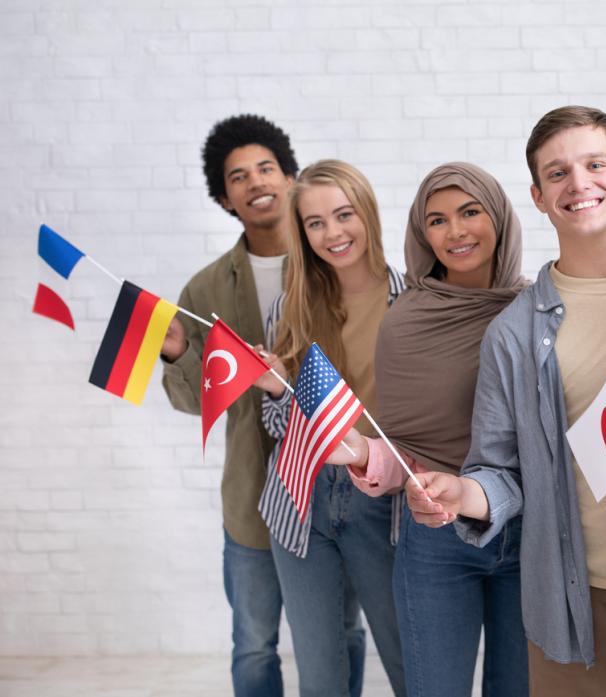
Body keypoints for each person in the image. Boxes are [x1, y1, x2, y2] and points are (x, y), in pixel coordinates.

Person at [406, 106, 606, 696]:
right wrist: (465, 493)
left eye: (594, 164)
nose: (578, 184)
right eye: (557, 174)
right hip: (579, 604)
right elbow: (498, 469)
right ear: (536, 195)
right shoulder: (515, 333)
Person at [328, 162, 529, 697]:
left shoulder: (538, 311)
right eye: (437, 220)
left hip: (532, 536)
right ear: (422, 233)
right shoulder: (407, 320)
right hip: (437, 533)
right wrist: (362, 452)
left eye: (470, 212)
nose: (456, 232)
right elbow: (403, 450)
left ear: (500, 216)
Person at [254, 160, 406, 697]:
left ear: (367, 212)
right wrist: (276, 389)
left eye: (344, 214)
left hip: (383, 498)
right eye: (315, 223)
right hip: (301, 501)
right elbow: (279, 427)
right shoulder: (290, 307)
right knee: (320, 678)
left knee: (410, 663)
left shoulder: (412, 301)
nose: (333, 233)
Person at [160, 114, 299, 696]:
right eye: (238, 176)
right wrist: (175, 355)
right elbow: (192, 403)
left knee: (342, 634)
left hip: (335, 488)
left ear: (290, 176)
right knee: (253, 644)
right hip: (250, 500)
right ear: (225, 198)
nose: (256, 181)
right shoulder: (206, 288)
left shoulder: (337, 260)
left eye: (266, 167)